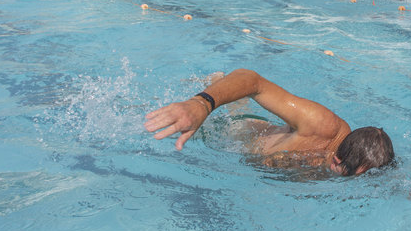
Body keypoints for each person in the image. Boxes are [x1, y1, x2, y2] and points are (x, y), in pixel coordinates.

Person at [144, 68, 394, 176]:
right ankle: (215, 85)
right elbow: (252, 81)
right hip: (233, 136)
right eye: (350, 177)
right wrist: (201, 104)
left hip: (266, 142)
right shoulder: (321, 124)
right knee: (232, 120)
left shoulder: (360, 162)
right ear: (336, 161)